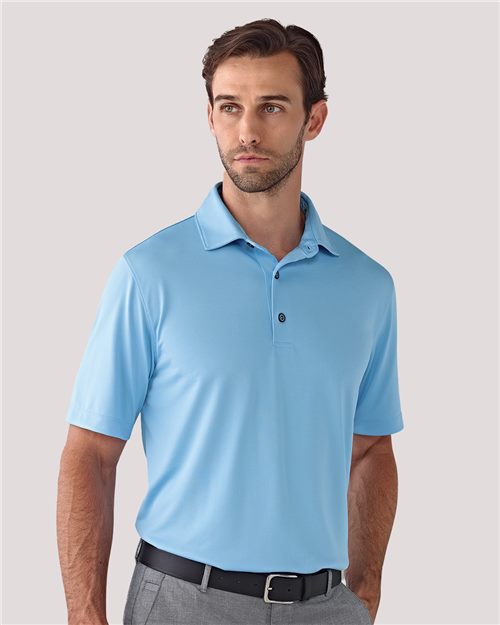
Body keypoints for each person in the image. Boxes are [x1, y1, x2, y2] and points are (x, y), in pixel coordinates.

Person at [56, 18, 404, 625]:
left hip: (325, 607)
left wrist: (365, 591)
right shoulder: (149, 273)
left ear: (314, 119)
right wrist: (85, 616)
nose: (247, 130)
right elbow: (89, 453)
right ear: (210, 116)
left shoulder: (367, 286)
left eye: (271, 107)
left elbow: (372, 447)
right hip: (182, 600)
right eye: (229, 106)